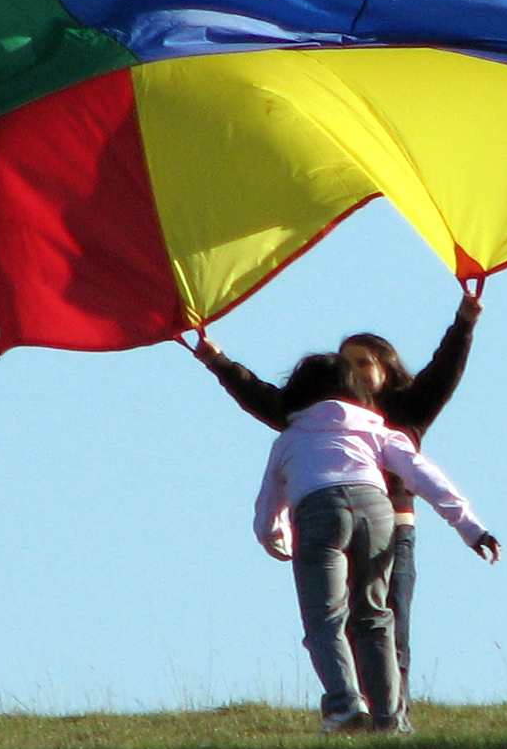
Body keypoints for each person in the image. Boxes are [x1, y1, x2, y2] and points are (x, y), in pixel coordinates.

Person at [195, 294, 480, 721]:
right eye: (348, 362)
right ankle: (370, 712)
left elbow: (444, 370)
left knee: (382, 621)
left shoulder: (404, 410)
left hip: (392, 530)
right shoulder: (307, 418)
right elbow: (257, 394)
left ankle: (386, 715)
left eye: (364, 361)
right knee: (360, 621)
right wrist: (217, 359)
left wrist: (463, 322)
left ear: (386, 368)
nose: (354, 370)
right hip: (370, 524)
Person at [253, 352, 500, 735]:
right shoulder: (374, 428)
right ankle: (391, 720)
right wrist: (471, 528)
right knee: (375, 617)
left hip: (319, 512)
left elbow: (270, 497)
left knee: (325, 618)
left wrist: (273, 535)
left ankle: (344, 705)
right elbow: (422, 474)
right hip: (377, 510)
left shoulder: (290, 439)